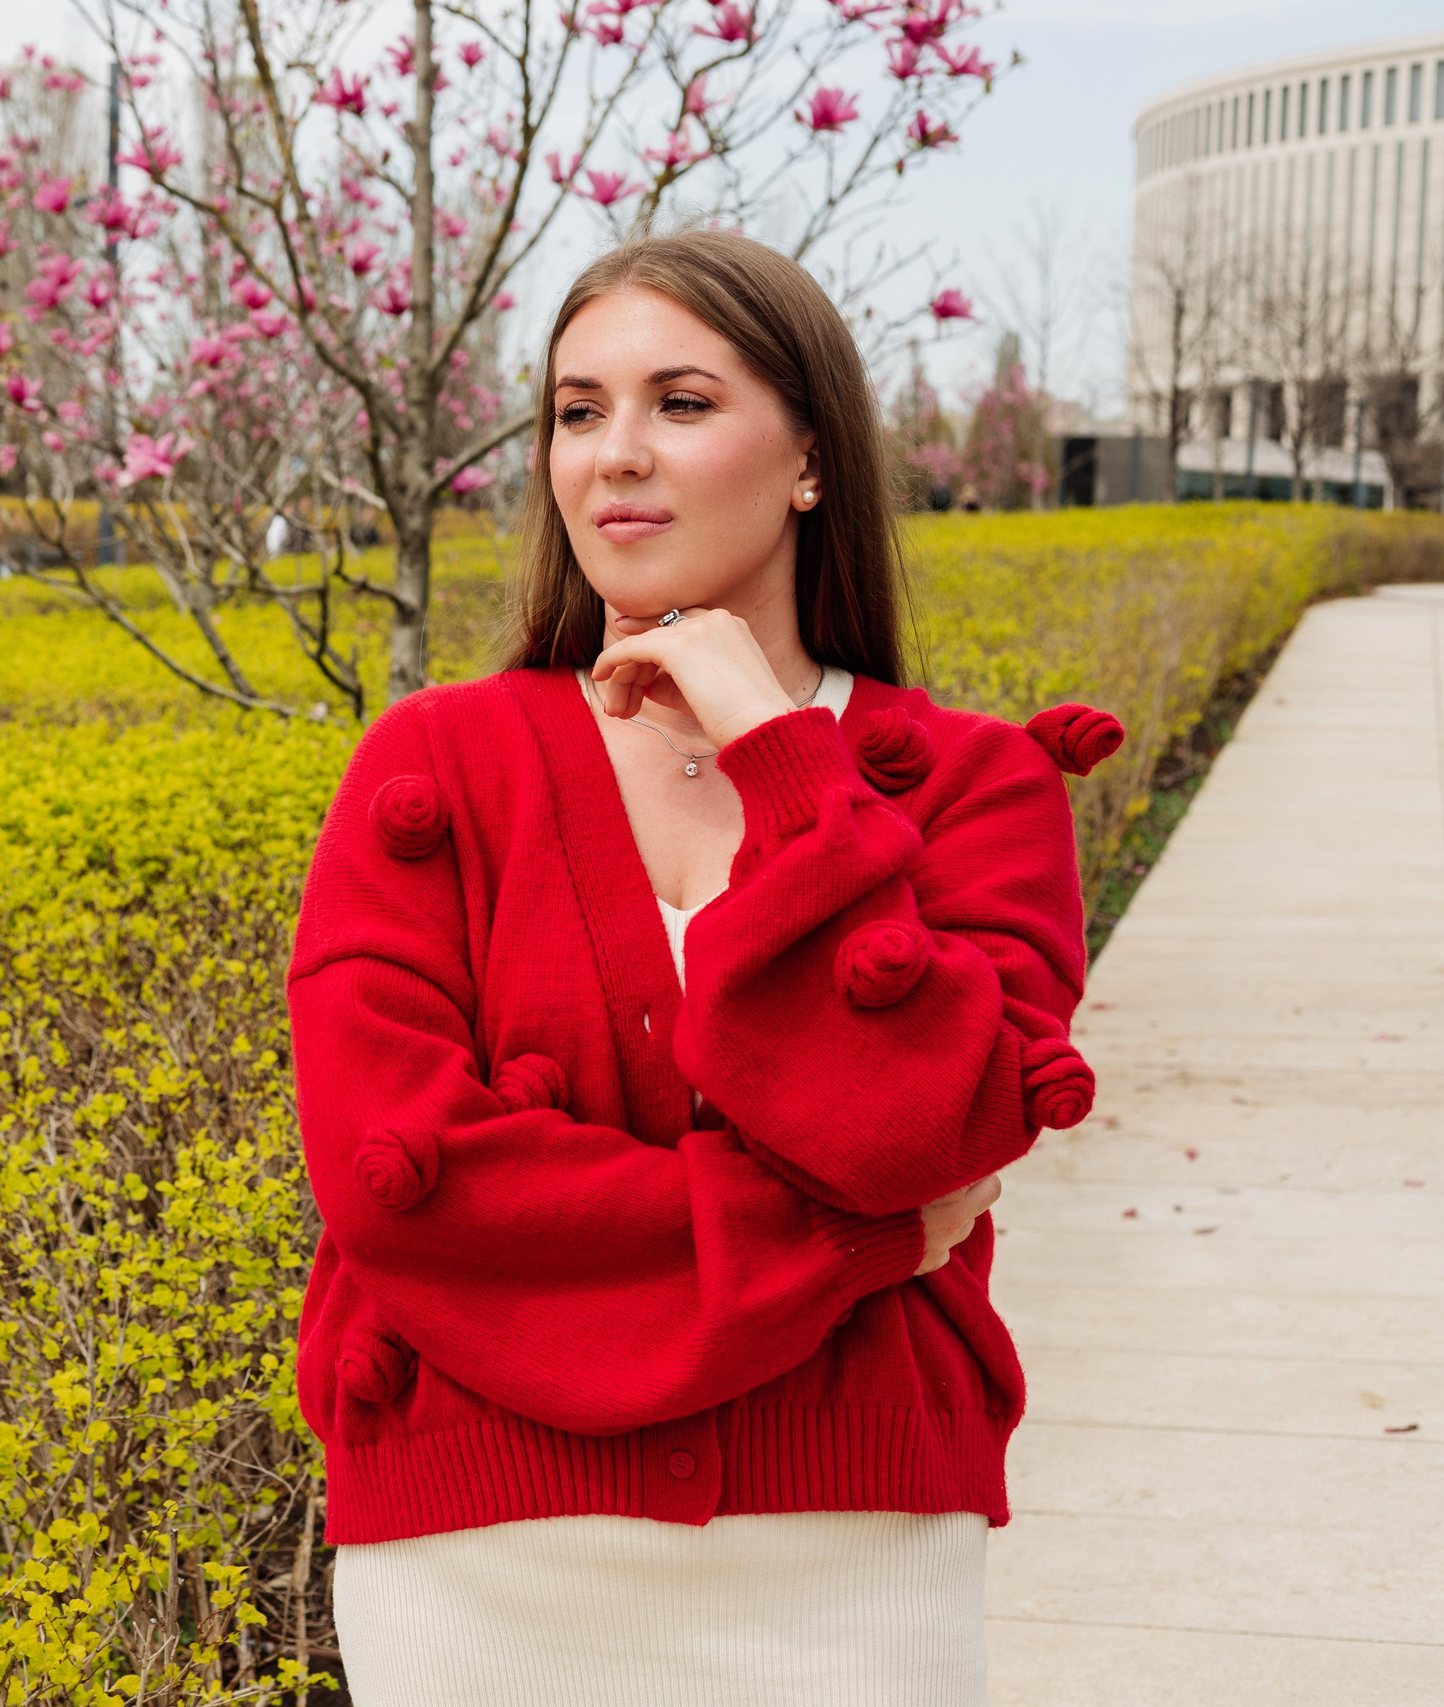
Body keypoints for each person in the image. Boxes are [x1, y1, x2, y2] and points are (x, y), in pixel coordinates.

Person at [288, 229, 1115, 1705]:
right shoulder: (438, 769)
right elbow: (402, 1182)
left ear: (807, 456)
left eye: (679, 403)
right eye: (576, 409)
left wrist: (785, 761)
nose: (616, 457)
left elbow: (921, 1123)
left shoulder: (979, 790)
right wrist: (848, 1245)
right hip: (481, 1550)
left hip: (851, 1555)